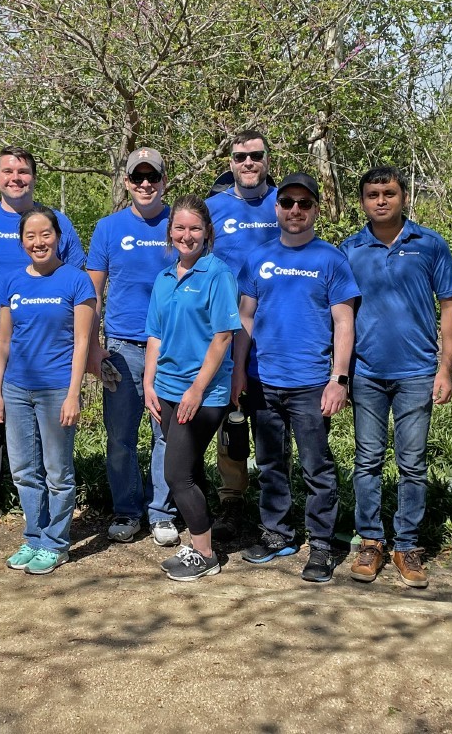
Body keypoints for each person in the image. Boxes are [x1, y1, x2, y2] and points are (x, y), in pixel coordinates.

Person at [0, 147, 86, 536]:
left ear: (33, 178)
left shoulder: (56, 223)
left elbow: (79, 280)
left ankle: (46, 518)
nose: (15, 177)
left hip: (40, 343)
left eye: (23, 171)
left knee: (40, 425)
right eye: (7, 171)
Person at [339, 166, 452, 588]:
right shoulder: (350, 249)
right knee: (367, 460)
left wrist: (446, 367)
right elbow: (338, 314)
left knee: (412, 463)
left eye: (389, 193)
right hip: (366, 372)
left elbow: (449, 306)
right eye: (372, 194)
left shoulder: (429, 244)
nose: (381, 201)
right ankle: (371, 541)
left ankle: (407, 545)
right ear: (362, 202)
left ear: (404, 196)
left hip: (417, 372)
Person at [233, 173, 359, 583]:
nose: (295, 210)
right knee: (271, 463)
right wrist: (238, 373)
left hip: (310, 383)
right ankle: (278, 534)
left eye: (304, 204)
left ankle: (321, 543)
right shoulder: (259, 258)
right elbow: (245, 319)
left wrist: (338, 380)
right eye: (287, 202)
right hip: (263, 380)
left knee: (316, 467)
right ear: (277, 208)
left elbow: (344, 323)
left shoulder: (331, 258)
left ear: (316, 210)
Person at [0, 205, 97, 575]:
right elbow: (4, 342)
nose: (39, 242)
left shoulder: (76, 281)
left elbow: (83, 342)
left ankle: (56, 543)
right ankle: (34, 536)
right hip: (17, 388)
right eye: (31, 236)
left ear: (58, 237)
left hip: (55, 391)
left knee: (58, 472)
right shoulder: (12, 282)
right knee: (23, 469)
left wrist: (73, 393)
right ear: (22, 242)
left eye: (45, 234)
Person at [143, 196, 242, 580]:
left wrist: (197, 389)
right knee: (190, 468)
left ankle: (205, 553)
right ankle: (200, 540)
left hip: (203, 394)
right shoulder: (165, 277)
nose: (187, 235)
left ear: (207, 233)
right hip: (165, 389)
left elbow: (222, 337)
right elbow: (154, 335)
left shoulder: (217, 274)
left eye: (195, 228)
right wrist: (149, 382)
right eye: (180, 228)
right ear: (171, 232)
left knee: (176, 475)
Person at [88, 147, 178, 546]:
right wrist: (93, 347)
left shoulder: (180, 223)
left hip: (173, 348)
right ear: (126, 182)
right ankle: (128, 510)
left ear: (163, 181)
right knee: (120, 436)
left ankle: (162, 513)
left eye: (152, 177)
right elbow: (92, 292)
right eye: (137, 178)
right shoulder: (108, 228)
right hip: (122, 349)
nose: (145, 184)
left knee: (166, 436)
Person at [204, 129, 280, 541]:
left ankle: (277, 507)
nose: (248, 163)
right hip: (228, 334)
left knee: (271, 422)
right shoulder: (212, 208)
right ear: (230, 161)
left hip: (277, 335)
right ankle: (231, 501)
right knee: (230, 423)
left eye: (256, 155)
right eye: (240, 157)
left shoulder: (286, 202)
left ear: (268, 158)